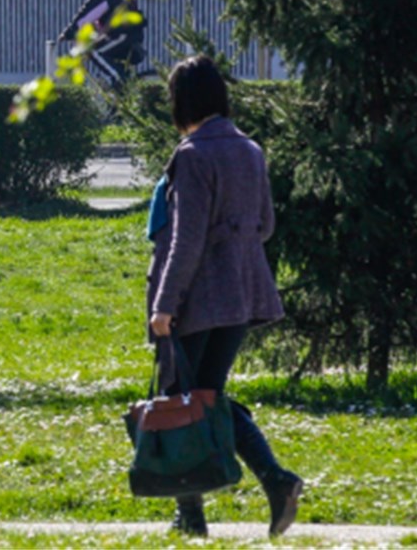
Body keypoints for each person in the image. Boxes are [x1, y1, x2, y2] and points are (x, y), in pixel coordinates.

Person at [148, 56, 304, 538]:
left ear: (182, 101)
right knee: (207, 397)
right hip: (240, 296)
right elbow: (267, 225)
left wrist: (165, 305)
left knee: (177, 399)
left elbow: (185, 239)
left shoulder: (193, 155)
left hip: (195, 300)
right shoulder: (250, 150)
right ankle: (273, 483)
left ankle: (192, 518)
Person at [60, 0, 146, 85]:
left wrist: (69, 33)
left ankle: (120, 79)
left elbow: (86, 16)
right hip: (131, 35)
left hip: (121, 34)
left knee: (95, 52)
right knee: (107, 57)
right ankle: (120, 90)